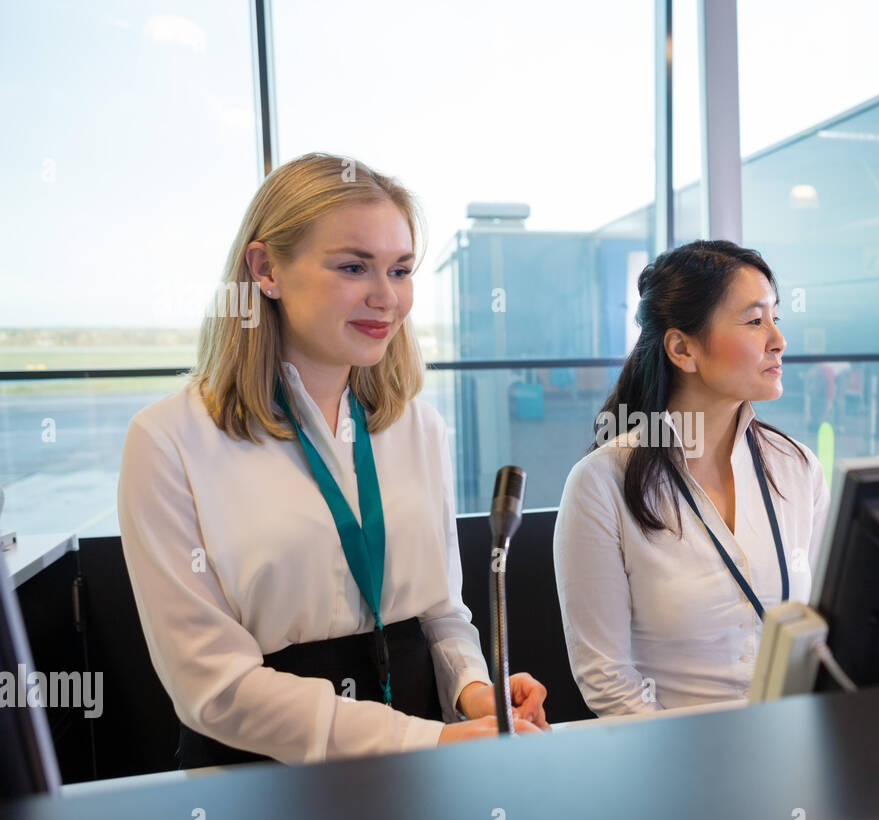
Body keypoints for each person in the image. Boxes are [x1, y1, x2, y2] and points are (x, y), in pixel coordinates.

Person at [117, 153, 547, 768]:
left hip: (421, 755)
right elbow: (211, 688)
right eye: (353, 267)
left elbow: (442, 613)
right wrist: (424, 739)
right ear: (265, 269)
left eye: (400, 270)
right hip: (260, 773)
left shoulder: (417, 425)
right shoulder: (168, 440)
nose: (386, 297)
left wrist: (475, 693)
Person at [554, 240, 830, 716]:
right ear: (683, 348)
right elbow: (606, 677)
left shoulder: (797, 467)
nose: (777, 340)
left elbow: (828, 627)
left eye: (776, 318)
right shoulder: (600, 484)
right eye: (753, 320)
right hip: (674, 762)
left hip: (790, 746)